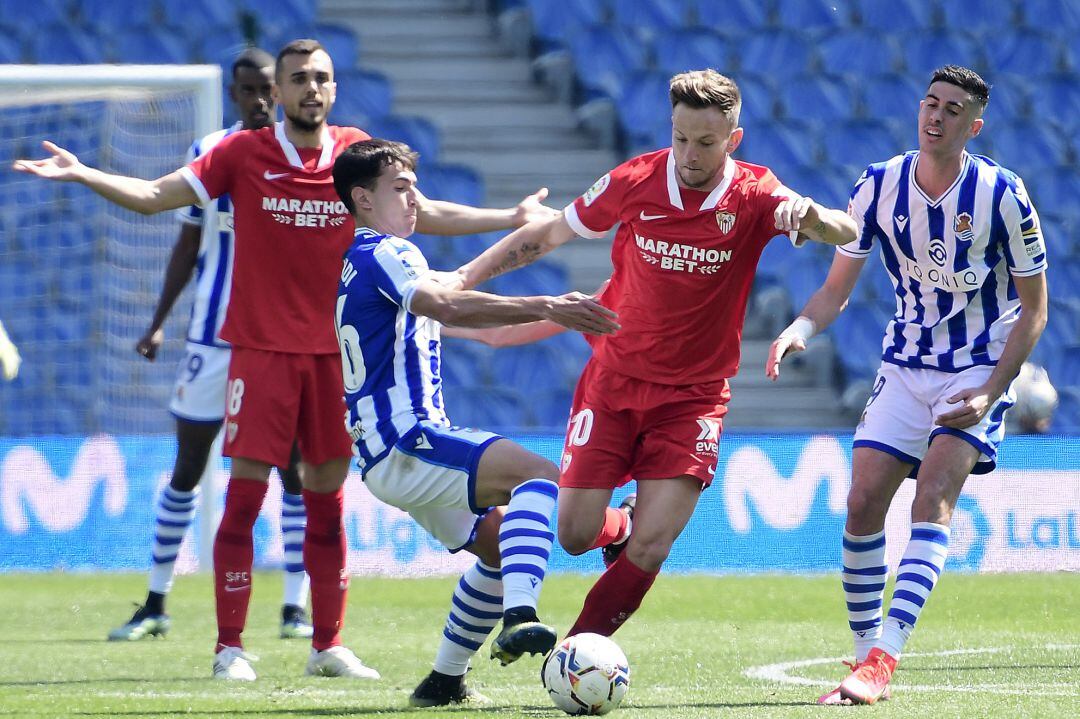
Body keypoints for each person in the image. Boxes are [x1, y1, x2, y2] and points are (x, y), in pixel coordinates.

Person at [13, 38, 558, 682]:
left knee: (324, 500)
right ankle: (229, 648)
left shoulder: (354, 154)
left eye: (321, 77)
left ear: (334, 88)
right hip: (261, 351)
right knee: (244, 496)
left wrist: (509, 216)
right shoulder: (242, 153)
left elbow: (424, 210)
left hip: (334, 359)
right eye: (298, 78)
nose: (311, 88)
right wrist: (83, 173)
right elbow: (156, 194)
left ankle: (327, 644)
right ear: (278, 91)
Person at [450, 69, 857, 640]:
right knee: (574, 534)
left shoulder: (757, 194)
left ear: (733, 139)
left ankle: (576, 654)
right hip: (612, 384)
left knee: (654, 544)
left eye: (706, 142)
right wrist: (463, 279)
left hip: (693, 399)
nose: (690, 154)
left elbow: (846, 230)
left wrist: (810, 216)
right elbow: (546, 236)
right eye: (681, 137)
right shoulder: (634, 180)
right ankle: (618, 526)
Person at [767, 65, 1048, 705]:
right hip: (906, 360)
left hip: (978, 364)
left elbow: (1035, 309)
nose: (936, 116)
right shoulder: (878, 185)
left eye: (952, 110)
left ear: (973, 126)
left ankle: (882, 662)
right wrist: (799, 330)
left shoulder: (1003, 195)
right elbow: (836, 289)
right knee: (863, 501)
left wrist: (992, 389)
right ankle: (866, 649)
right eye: (930, 103)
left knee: (933, 494)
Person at [331, 138, 618, 706]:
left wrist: (530, 227)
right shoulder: (387, 252)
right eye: (400, 189)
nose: (415, 200)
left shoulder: (368, 261)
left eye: (415, 188)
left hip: (386, 453)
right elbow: (446, 304)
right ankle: (521, 615)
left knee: (501, 548)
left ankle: (443, 682)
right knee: (541, 476)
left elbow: (462, 278)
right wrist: (546, 305)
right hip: (408, 438)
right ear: (362, 199)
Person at [106, 47, 315, 644]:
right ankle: (155, 602)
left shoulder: (304, 156)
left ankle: (294, 608)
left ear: (281, 92)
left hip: (279, 341)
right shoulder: (212, 151)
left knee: (294, 469)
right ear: (233, 93)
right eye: (248, 90)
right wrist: (157, 321)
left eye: (267, 89)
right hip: (212, 337)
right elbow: (188, 243)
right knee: (189, 465)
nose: (259, 100)